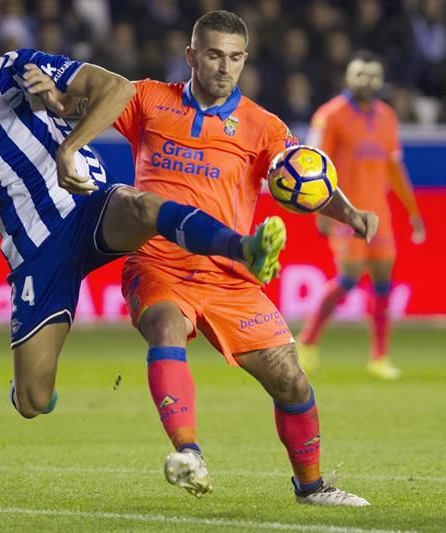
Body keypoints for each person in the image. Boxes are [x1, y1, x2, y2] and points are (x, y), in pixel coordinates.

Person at [0, 8, 282, 423]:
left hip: (88, 206)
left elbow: (117, 89)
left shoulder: (21, 67)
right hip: (39, 251)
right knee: (32, 401)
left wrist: (68, 143)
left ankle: (242, 248)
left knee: (143, 205)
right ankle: (31, 387)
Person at [48, 10, 375, 505]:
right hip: (157, 262)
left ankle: (311, 487)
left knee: (289, 379)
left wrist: (349, 212)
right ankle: (188, 453)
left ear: (245, 60)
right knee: (165, 327)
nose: (225, 67)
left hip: (229, 275)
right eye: (215, 55)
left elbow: (303, 180)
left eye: (235, 58)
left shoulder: (264, 127)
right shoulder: (147, 98)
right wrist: (49, 96)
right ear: (192, 56)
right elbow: (79, 103)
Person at [297, 51, 427, 380]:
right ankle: (307, 343)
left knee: (384, 281)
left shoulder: (387, 117)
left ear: (380, 80)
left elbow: (394, 168)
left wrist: (413, 211)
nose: (365, 80)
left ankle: (379, 357)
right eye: (359, 74)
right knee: (349, 278)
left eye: (371, 75)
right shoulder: (330, 116)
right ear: (348, 77)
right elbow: (315, 165)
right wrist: (320, 209)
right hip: (345, 212)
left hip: (378, 214)